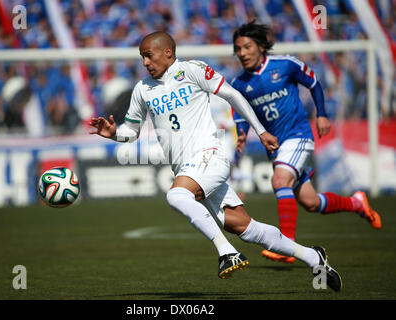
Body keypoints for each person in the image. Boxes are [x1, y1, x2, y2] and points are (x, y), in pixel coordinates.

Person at [89, 31, 343, 291]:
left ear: (167, 52)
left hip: (210, 155)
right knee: (246, 228)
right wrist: (114, 134)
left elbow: (233, 95)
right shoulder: (143, 89)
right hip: (189, 167)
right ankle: (313, 257)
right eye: (142, 57)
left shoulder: (193, 70)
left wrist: (260, 130)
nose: (144, 63)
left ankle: (227, 252)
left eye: (148, 56)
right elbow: (131, 132)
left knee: (176, 196)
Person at [231, 21, 382, 264]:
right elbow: (241, 114)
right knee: (311, 202)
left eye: (247, 47)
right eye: (237, 49)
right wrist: (240, 134)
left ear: (260, 46)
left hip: (298, 135)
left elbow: (313, 83)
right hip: (277, 148)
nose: (242, 53)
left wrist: (321, 113)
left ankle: (286, 245)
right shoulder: (239, 84)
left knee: (280, 180)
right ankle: (357, 203)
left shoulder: (286, 65)